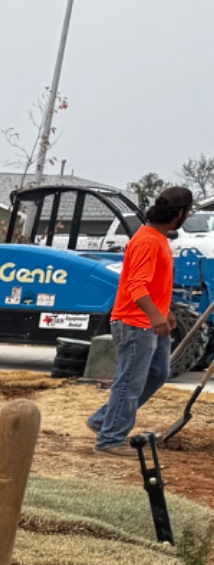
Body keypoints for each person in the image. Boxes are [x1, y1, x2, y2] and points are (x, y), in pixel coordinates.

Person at [90, 185, 192, 456]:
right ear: (180, 214)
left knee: (157, 374)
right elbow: (136, 286)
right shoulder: (147, 241)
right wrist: (154, 315)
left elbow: (153, 284)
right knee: (130, 381)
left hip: (149, 321)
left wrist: (164, 311)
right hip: (135, 323)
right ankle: (109, 440)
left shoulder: (157, 238)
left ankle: (103, 421)